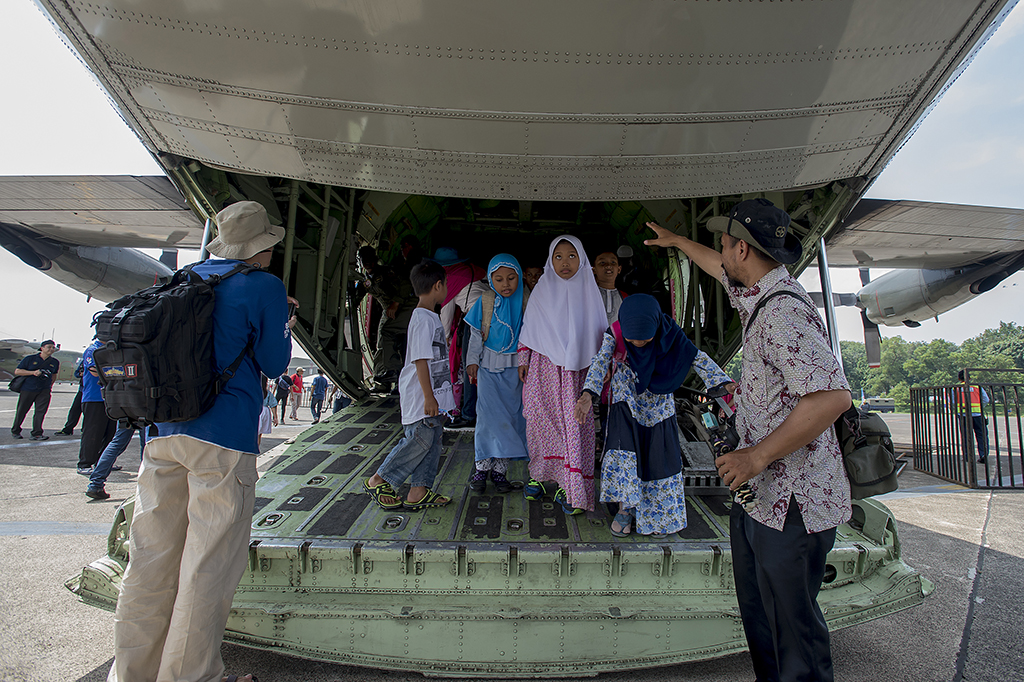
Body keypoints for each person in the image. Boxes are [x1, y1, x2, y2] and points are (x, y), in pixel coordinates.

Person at [646, 198, 852, 682]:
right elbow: (717, 267)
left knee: (793, 634)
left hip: (794, 503)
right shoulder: (757, 291)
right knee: (762, 621)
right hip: (762, 500)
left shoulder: (782, 314)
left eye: (725, 245)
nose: (721, 255)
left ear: (742, 249)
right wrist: (678, 242)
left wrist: (756, 457)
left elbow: (832, 397)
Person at [107, 200, 295, 682]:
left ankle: (131, 673)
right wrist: (284, 324)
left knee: (150, 562)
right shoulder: (264, 286)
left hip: (162, 433)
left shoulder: (184, 278)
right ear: (262, 247)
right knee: (206, 566)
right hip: (222, 439)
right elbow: (274, 363)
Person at [575, 294, 732, 537]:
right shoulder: (615, 333)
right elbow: (600, 361)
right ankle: (625, 510)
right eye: (632, 339)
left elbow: (696, 357)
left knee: (658, 459)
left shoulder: (670, 333)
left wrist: (723, 382)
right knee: (625, 456)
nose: (638, 344)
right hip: (626, 403)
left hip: (658, 408)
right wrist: (588, 393)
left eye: (645, 339)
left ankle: (658, 516)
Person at [518, 235, 607, 515]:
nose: (565, 262)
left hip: (576, 374)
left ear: (581, 259)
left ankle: (569, 484)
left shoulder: (589, 292)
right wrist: (523, 359)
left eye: (571, 256)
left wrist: (602, 368)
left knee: (574, 424)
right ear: (550, 260)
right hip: (543, 370)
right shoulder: (542, 291)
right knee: (539, 421)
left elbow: (600, 336)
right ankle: (540, 474)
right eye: (558, 257)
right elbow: (529, 330)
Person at [363, 259, 455, 511]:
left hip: (432, 395)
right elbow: (420, 360)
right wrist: (429, 397)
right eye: (446, 284)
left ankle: (419, 490)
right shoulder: (423, 319)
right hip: (422, 396)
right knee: (419, 440)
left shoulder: (429, 317)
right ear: (438, 286)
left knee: (433, 440)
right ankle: (380, 479)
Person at [463, 254, 530, 494]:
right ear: (491, 280)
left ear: (519, 277)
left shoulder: (526, 302)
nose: (506, 284)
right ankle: (481, 468)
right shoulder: (486, 301)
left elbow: (532, 335)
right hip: (488, 368)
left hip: (516, 370)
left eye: (511, 278)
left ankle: (500, 471)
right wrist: (472, 360)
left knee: (510, 419)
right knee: (487, 419)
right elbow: (475, 334)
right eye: (499, 279)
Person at [357, 244, 416, 390]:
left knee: (398, 342)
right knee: (382, 344)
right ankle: (382, 380)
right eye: (364, 260)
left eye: (370, 259)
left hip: (403, 306)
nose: (367, 263)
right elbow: (358, 295)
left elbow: (406, 285)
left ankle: (397, 379)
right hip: (388, 311)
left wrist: (396, 303)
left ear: (375, 259)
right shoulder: (365, 281)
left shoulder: (388, 272)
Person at [76, 337, 116, 474]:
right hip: (94, 397)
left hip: (111, 398)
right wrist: (115, 373)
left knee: (110, 432)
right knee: (92, 432)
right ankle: (85, 463)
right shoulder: (93, 350)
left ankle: (103, 462)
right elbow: (94, 370)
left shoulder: (112, 350)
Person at [10, 339, 60, 440]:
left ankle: (37, 433)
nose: (51, 349)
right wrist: (33, 373)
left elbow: (54, 375)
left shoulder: (54, 362)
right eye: (49, 347)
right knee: (22, 411)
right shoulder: (30, 359)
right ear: (42, 348)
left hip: (44, 390)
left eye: (53, 347)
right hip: (28, 388)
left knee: (40, 412)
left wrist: (50, 385)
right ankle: (16, 431)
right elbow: (18, 371)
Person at [86, 421, 145, 500]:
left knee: (116, 443)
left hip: (126, 414)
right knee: (147, 445)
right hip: (146, 415)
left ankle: (95, 484)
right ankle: (146, 485)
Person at [956, 369, 990, 463]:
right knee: (981, 435)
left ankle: (967, 456)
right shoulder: (977, 387)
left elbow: (953, 401)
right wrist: (980, 407)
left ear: (959, 379)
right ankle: (983, 454)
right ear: (970, 378)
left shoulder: (957, 388)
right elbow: (986, 400)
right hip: (978, 414)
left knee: (966, 436)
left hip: (963, 415)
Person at [592, 250, 625, 326]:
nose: (608, 266)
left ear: (619, 269)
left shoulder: (625, 297)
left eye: (613, 262)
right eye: (602, 262)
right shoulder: (587, 295)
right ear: (593, 270)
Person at [56, 355, 85, 436]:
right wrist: (81, 374)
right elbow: (76, 373)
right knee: (75, 409)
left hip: (91, 391)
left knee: (88, 411)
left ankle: (85, 430)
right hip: (82, 389)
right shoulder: (84, 362)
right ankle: (68, 429)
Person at [258, 376, 276, 445]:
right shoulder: (267, 392)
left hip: (256, 410)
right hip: (265, 411)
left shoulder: (254, 391)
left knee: (254, 432)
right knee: (259, 434)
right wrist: (275, 417)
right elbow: (273, 405)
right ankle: (257, 447)